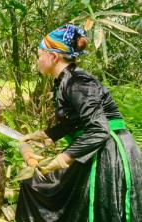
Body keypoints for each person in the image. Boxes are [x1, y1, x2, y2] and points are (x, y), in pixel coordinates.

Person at [16, 24, 142, 221]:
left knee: (99, 206)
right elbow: (74, 122)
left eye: (40, 54)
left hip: (108, 150)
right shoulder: (64, 80)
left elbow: (100, 129)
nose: (37, 59)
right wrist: (45, 135)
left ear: (53, 56)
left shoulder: (79, 82)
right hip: (91, 147)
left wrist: (64, 158)